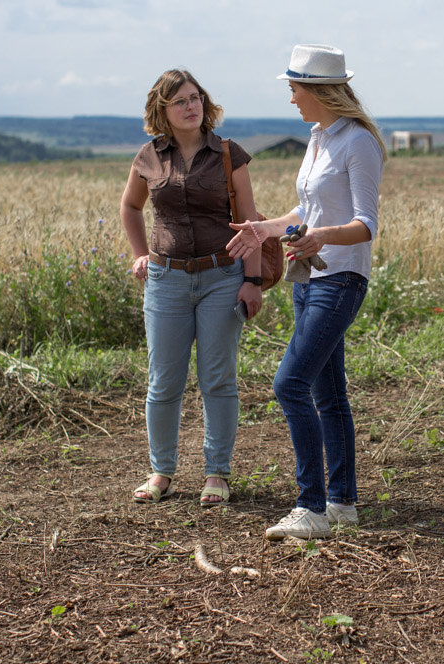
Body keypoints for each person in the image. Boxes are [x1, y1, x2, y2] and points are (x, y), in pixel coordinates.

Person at [225, 44, 385, 541]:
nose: (291, 97)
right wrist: (265, 229)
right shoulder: (318, 138)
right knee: (327, 392)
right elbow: (305, 211)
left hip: (339, 279)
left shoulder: (357, 142)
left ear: (317, 90)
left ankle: (311, 506)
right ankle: (341, 504)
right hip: (307, 277)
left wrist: (321, 238)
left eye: (294, 87)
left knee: (289, 384)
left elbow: (365, 224)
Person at [120, 69, 264, 507]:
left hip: (223, 277)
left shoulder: (226, 153)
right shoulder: (148, 155)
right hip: (165, 281)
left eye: (195, 97)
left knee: (217, 379)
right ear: (162, 109)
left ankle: (217, 473)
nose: (191, 106)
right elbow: (129, 206)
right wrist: (140, 252)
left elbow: (251, 219)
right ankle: (161, 471)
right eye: (180, 100)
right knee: (163, 382)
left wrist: (253, 280)